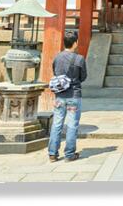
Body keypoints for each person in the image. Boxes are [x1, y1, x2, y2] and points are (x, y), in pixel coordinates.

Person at [47, 31, 87, 162]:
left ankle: (52, 153)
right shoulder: (79, 59)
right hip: (74, 95)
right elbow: (83, 77)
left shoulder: (57, 57)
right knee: (72, 124)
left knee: (57, 123)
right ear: (75, 43)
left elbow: (55, 72)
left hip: (60, 95)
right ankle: (69, 154)